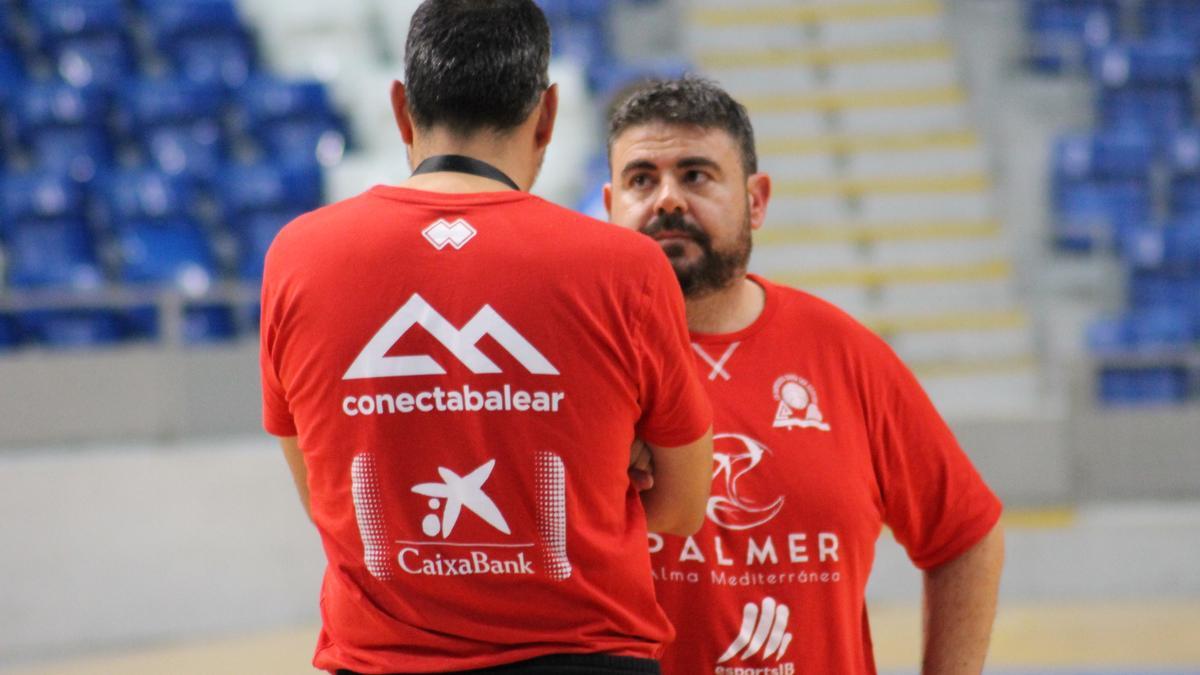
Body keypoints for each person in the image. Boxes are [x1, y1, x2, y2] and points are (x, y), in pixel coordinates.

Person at [258, 3, 714, 673]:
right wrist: (598, 470)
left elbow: (324, 495)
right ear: (550, 114)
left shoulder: (299, 258)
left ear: (400, 109)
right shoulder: (626, 268)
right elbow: (680, 505)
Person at [605, 77, 1005, 675]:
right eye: (642, 179)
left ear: (756, 200)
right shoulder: (578, 364)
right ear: (610, 206)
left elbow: (966, 537)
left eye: (695, 175)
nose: (667, 200)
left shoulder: (845, 354)